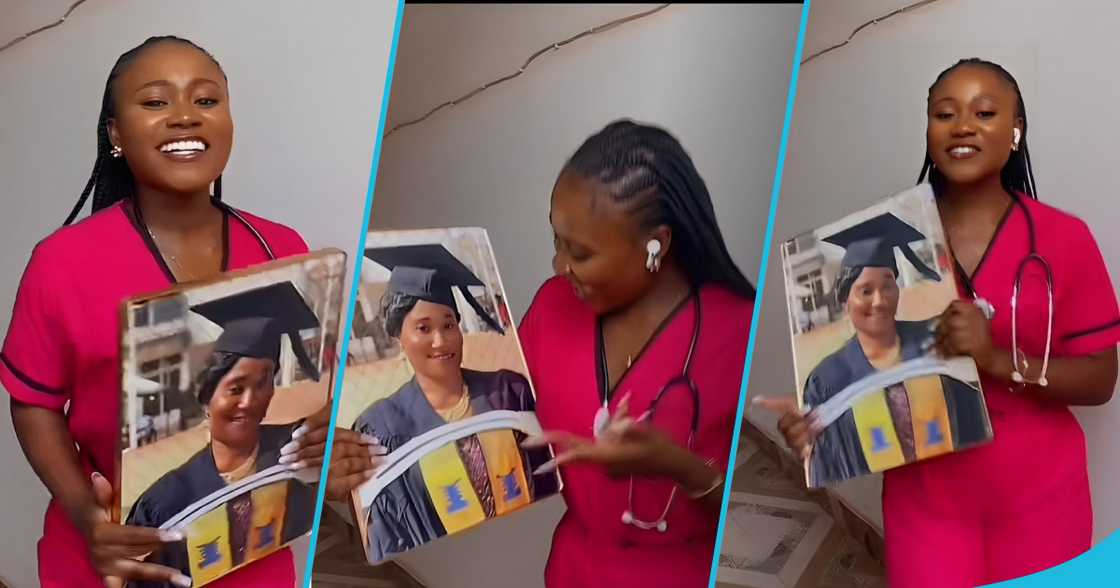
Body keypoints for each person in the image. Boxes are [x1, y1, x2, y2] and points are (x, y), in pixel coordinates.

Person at [1, 36, 348, 587]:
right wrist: (82, 512)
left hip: (254, 555)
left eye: (206, 101)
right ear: (116, 133)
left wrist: (326, 444)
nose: (185, 117)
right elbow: (33, 404)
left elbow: (305, 395)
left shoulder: (282, 249)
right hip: (114, 561)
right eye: (156, 102)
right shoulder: (62, 262)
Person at [758, 58, 1119, 587]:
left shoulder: (1064, 239)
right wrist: (817, 433)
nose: (963, 126)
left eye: (986, 111)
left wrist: (995, 359)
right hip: (926, 509)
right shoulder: (877, 246)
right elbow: (862, 382)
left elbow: (1101, 379)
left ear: (1015, 131)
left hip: (1042, 502)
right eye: (944, 114)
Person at [352, 245, 558, 562]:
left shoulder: (507, 391)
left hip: (524, 551)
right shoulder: (381, 427)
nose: (441, 340)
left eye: (449, 324)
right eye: (423, 328)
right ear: (398, 337)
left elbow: (547, 483)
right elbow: (388, 534)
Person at [126, 283, 322, 585]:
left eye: (262, 384)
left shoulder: (296, 450)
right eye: (235, 388)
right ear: (207, 397)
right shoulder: (166, 501)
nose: (249, 401)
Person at [800, 215, 990, 487]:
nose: (879, 301)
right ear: (845, 302)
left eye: (888, 285)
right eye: (865, 291)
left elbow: (972, 415)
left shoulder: (936, 337)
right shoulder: (827, 379)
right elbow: (827, 459)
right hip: (908, 490)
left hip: (968, 476)